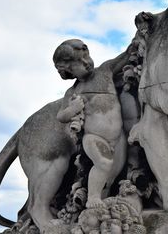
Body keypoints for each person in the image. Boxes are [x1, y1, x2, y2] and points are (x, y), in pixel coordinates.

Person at [54, 39, 128, 208]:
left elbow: (126, 55)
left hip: (119, 137)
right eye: (78, 63)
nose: (86, 63)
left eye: (86, 57)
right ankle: (93, 198)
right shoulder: (73, 91)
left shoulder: (106, 70)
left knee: (114, 174)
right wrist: (73, 109)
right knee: (103, 163)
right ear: (68, 71)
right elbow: (61, 116)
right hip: (94, 137)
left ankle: (106, 199)